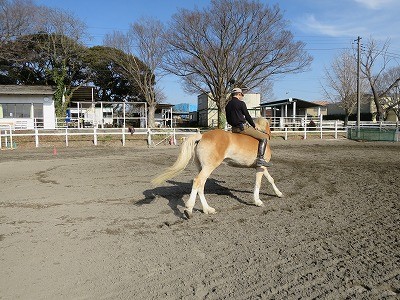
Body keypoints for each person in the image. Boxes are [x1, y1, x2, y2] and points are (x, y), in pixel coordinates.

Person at [225, 87, 272, 167]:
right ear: (239, 94)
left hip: (234, 129)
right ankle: (260, 159)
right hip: (242, 128)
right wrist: (254, 126)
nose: (241, 97)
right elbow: (247, 116)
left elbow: (228, 119)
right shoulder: (241, 103)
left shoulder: (227, 105)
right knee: (264, 137)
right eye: (241, 95)